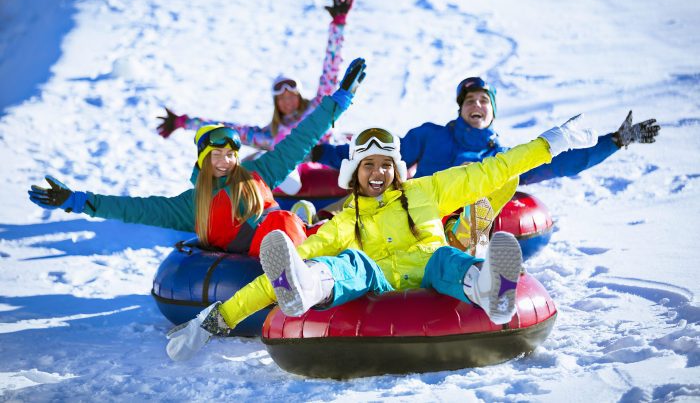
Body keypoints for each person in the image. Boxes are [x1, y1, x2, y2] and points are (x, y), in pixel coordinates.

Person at [165, 117, 597, 361]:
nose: (378, 173)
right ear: (355, 173)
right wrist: (215, 319)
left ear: (396, 168)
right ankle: (304, 290)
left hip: (429, 266)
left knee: (448, 260)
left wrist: (550, 142)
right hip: (376, 278)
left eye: (385, 164)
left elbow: (492, 170)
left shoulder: (426, 190)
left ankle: (491, 290)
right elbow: (291, 258)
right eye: (368, 166)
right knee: (341, 265)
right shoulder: (345, 220)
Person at [27, 58, 367, 256]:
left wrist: (339, 100)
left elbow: (301, 138)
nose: (224, 161)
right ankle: (298, 242)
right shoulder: (193, 204)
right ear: (202, 161)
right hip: (260, 251)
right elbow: (135, 208)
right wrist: (79, 201)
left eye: (230, 155)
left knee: (289, 222)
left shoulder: (259, 172)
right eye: (215, 155)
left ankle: (313, 230)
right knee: (281, 225)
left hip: (288, 237)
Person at [311, 77, 660, 250]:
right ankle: (312, 225)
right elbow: (382, 158)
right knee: (367, 200)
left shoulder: (499, 156)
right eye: (470, 100)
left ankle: (467, 237)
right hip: (415, 202)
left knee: (487, 195)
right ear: (460, 108)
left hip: (448, 217)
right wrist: (318, 151)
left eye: (484, 101)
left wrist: (615, 141)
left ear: (492, 113)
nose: (477, 105)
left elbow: (562, 163)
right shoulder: (431, 135)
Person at [156, 0, 354, 151]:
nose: (287, 101)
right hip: (300, 182)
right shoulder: (271, 136)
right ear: (276, 104)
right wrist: (184, 122)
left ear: (299, 95)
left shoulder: (318, 108)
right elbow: (229, 130)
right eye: (281, 98)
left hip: (329, 161)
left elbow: (331, 70)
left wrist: (338, 25)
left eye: (290, 95)